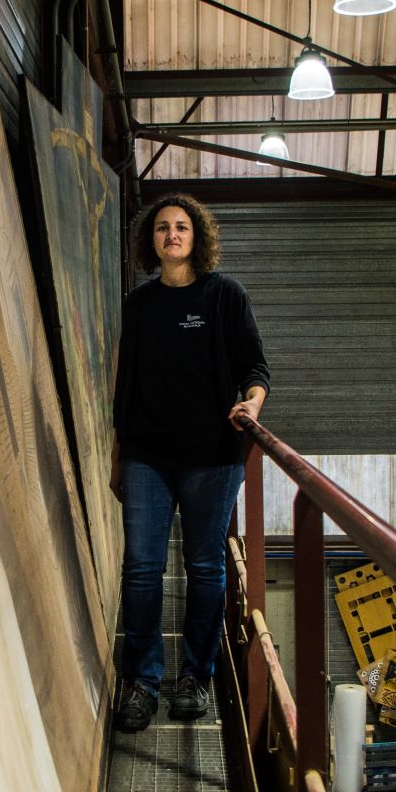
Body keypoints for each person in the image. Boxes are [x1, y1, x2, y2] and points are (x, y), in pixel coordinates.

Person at [109, 193, 269, 732]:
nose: (171, 235)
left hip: (212, 457)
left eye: (181, 227)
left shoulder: (226, 296)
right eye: (161, 228)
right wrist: (117, 454)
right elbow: (125, 387)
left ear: (197, 236)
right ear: (150, 241)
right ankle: (142, 681)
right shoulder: (139, 305)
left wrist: (252, 404)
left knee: (205, 569)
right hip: (147, 456)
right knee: (142, 569)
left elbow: (256, 366)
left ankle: (195, 677)